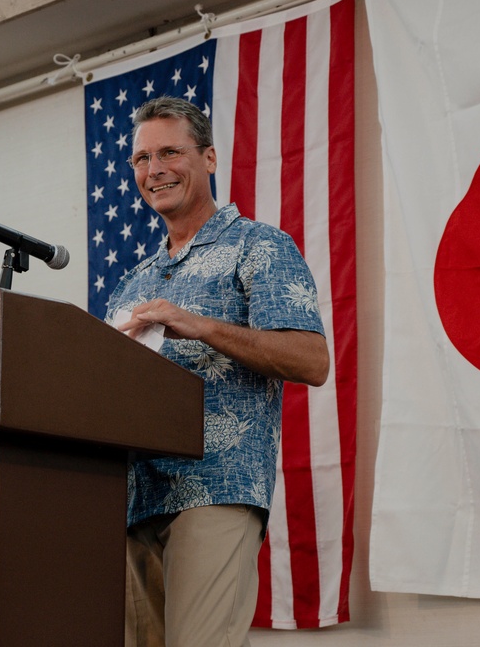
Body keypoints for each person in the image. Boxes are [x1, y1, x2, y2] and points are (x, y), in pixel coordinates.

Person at [108, 96, 330, 647]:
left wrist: (203, 326)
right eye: (141, 158)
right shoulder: (132, 282)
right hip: (132, 497)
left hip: (215, 487)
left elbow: (313, 360)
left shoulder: (261, 246)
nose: (153, 170)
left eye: (169, 153)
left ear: (209, 158)